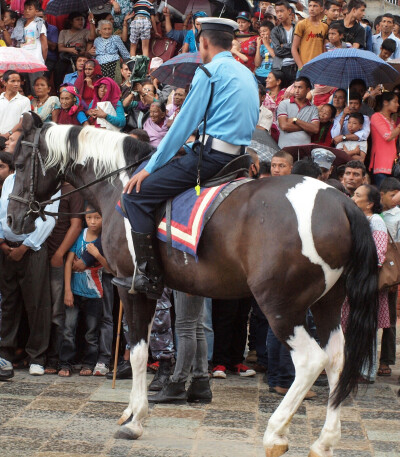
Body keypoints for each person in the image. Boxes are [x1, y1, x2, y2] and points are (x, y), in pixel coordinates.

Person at [114, 18, 259, 298]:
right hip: (236, 158)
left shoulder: (209, 72)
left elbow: (180, 127)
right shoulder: (247, 74)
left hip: (211, 159)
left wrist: (151, 167)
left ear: (203, 41)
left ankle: (150, 276)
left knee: (134, 195)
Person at [0, 172, 60, 376]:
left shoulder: (49, 181)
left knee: (37, 304)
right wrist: (2, 242)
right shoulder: (10, 180)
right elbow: (1, 211)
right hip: (6, 248)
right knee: (8, 303)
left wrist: (25, 247)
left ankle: (37, 357)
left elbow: (49, 220)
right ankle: (5, 355)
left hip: (32, 249)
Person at [343, 184, 390, 383]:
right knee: (352, 324)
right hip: (355, 279)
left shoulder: (376, 221)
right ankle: (354, 367)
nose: (353, 198)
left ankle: (366, 371)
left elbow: (378, 255)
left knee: (366, 325)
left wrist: (360, 272)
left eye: (358, 195)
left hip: (367, 281)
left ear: (370, 203)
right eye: (353, 194)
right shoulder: (357, 219)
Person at [59, 207, 110, 377]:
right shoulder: (80, 235)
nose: (93, 221)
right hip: (74, 291)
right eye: (89, 218)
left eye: (97, 217)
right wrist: (67, 290)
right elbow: (68, 263)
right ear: (85, 218)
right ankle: (65, 363)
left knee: (91, 332)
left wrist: (97, 254)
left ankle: (89, 363)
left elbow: (110, 268)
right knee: (68, 329)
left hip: (95, 294)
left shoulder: (105, 239)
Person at [378, 177, 400, 378]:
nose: (396, 199)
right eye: (392, 195)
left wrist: (396, 277)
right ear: (381, 194)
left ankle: (386, 359)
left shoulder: (398, 216)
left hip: (390, 271)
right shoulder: (374, 212)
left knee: (390, 319)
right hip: (373, 269)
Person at [11, 0, 47, 95]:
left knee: (35, 86)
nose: (27, 11)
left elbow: (45, 46)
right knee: (23, 86)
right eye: (25, 8)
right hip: (22, 61)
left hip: (35, 61)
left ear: (36, 11)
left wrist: (42, 61)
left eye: (30, 9)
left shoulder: (39, 24)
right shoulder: (20, 25)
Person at [55, 12, 95, 90]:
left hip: (78, 56)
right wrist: (70, 49)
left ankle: (73, 90)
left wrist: (91, 22)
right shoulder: (64, 32)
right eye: (77, 20)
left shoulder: (85, 31)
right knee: (58, 69)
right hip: (65, 56)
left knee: (72, 69)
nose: (81, 22)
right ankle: (58, 90)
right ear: (71, 21)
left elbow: (92, 37)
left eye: (82, 20)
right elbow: (60, 48)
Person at [277, 76, 319, 148]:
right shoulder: (284, 104)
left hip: (303, 149)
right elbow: (284, 126)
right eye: (295, 87)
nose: (296, 90)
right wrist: (307, 127)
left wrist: (295, 120)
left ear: (308, 89)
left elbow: (315, 129)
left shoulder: (313, 108)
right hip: (284, 148)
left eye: (300, 87)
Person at [369, 91, 400, 187]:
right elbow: (388, 136)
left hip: (392, 163)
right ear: (385, 102)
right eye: (395, 102)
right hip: (381, 163)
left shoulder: (391, 121)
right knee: (383, 196)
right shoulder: (376, 117)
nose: (398, 105)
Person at [291, 0, 328, 69]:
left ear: (321, 9)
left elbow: (324, 48)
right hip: (305, 66)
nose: (312, 8)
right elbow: (294, 48)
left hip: (318, 66)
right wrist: (300, 66)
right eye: (310, 6)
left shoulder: (325, 27)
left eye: (315, 6)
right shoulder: (302, 24)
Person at [271, 0, 297, 85]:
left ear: (289, 11)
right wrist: (294, 49)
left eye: (281, 11)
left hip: (296, 66)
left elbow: (301, 47)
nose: (279, 14)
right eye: (277, 12)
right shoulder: (275, 30)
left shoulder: (298, 28)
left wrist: (284, 45)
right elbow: (277, 51)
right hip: (281, 67)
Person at [0, 70, 30, 139]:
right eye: (13, 81)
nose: (16, 84)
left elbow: (23, 121)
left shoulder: (25, 100)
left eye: (18, 81)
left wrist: (8, 134)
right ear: (4, 82)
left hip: (14, 140)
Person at [254, 20, 275, 85]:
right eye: (260, 32)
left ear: (271, 32)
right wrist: (258, 46)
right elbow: (257, 64)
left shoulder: (276, 44)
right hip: (259, 74)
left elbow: (276, 57)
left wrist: (267, 44)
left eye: (264, 31)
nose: (262, 33)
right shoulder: (261, 46)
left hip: (271, 76)